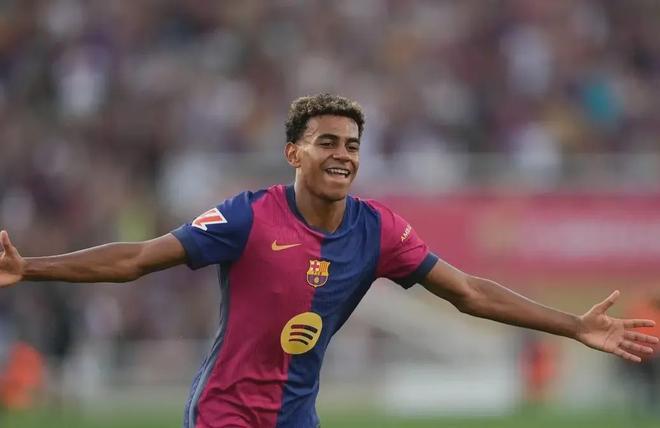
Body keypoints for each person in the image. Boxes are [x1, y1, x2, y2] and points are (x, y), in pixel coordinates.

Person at [0, 93, 657, 428]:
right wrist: (30, 267)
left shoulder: (379, 231)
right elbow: (140, 258)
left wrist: (573, 326)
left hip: (296, 417)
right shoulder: (247, 216)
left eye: (352, 144)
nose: (343, 154)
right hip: (225, 415)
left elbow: (470, 293)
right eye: (327, 142)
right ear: (294, 153)